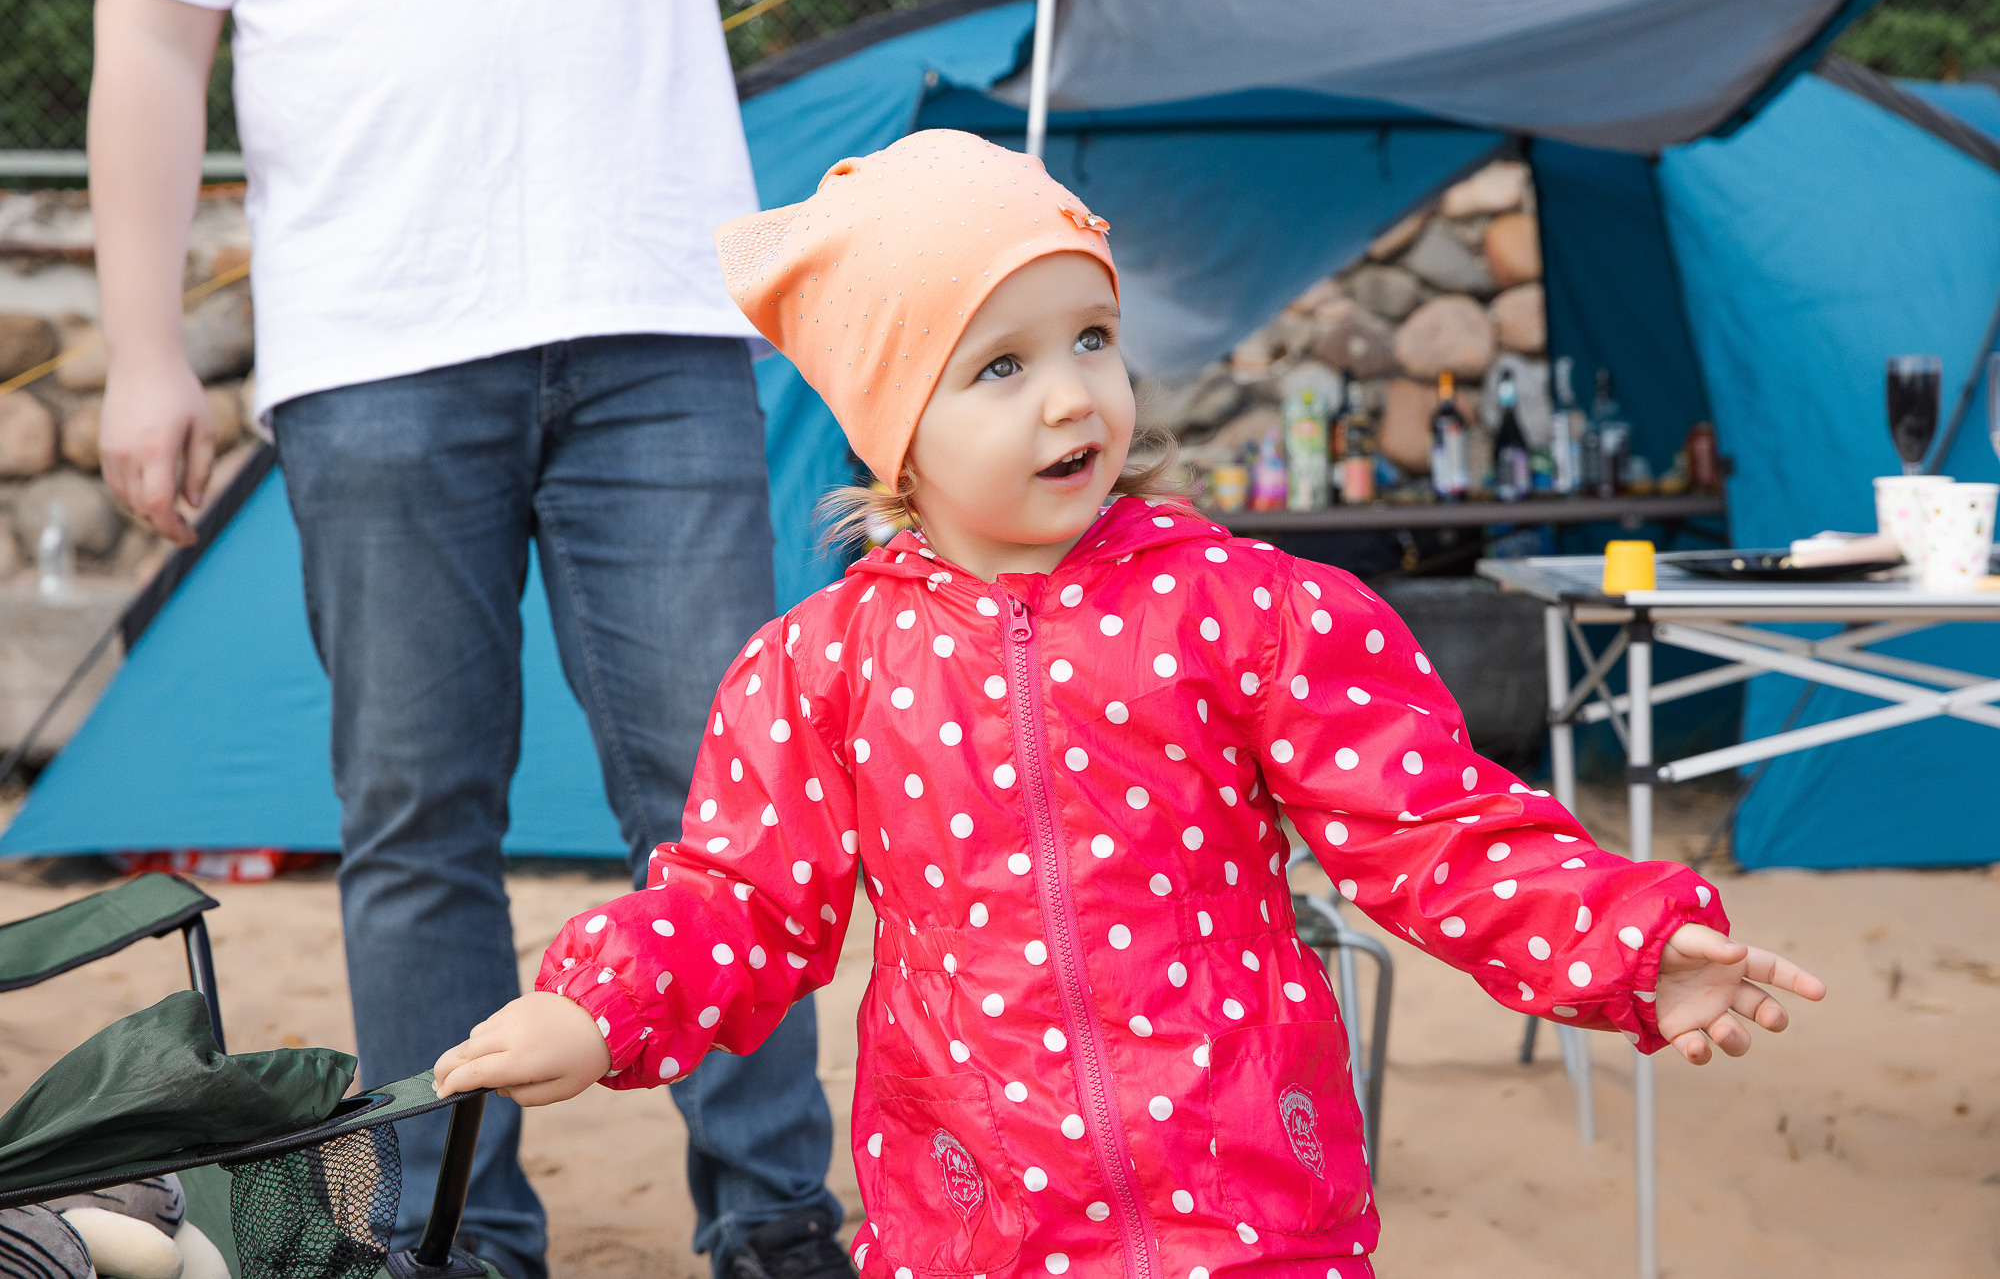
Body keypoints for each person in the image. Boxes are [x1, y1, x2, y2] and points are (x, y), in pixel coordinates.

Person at [432, 130, 1827, 1277]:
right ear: (891, 425)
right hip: (978, 1227)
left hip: (1257, 1217)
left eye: (1091, 337)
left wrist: (1631, 941)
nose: (1070, 398)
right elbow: (743, 898)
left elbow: (1433, 825)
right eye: (1001, 365)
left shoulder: (1240, 609)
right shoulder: (824, 666)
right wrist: (603, 1007)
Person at [72, 0, 853, 1278]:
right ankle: (453, 1240)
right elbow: (150, 33)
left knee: (725, 814)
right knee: (414, 814)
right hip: (375, 330)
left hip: (659, 300)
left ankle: (777, 1224)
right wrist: (144, 347)